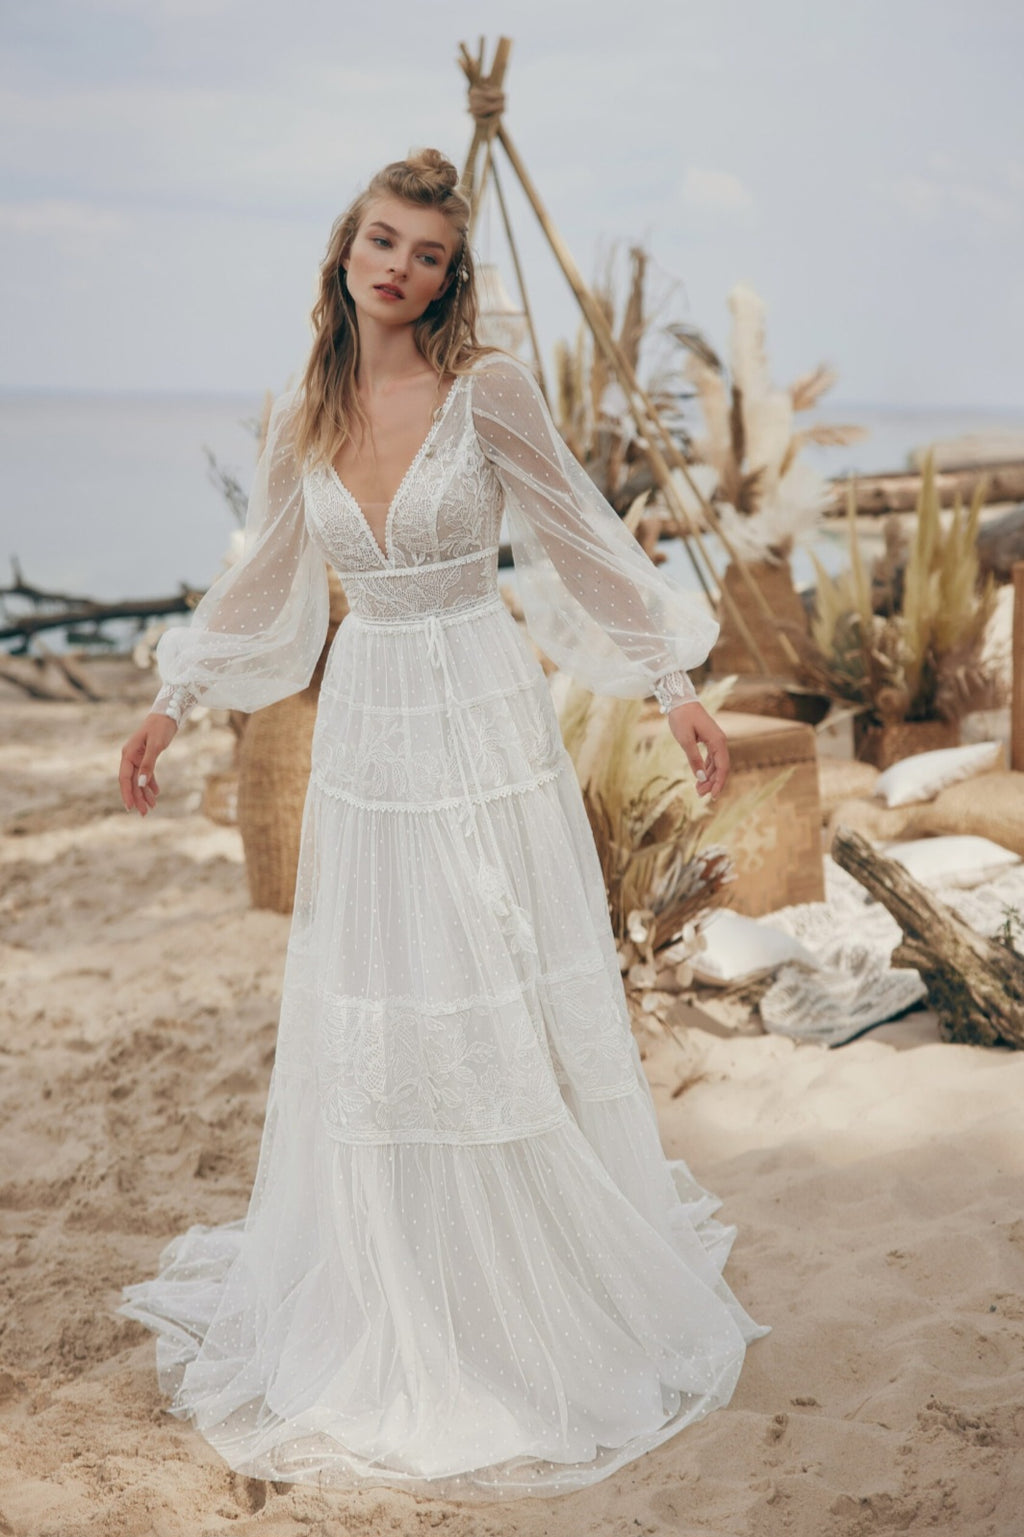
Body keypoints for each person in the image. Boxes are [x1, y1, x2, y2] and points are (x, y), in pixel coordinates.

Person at [116, 147, 769, 1501]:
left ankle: (525, 1284)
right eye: (379, 239)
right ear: (345, 250)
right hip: (369, 727)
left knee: (485, 983)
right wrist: (169, 704)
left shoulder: (492, 392)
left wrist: (674, 686)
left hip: (479, 711)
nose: (397, 266)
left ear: (448, 270)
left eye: (423, 250)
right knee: (386, 994)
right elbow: (267, 585)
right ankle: (403, 1274)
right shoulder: (301, 405)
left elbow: (587, 541)